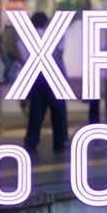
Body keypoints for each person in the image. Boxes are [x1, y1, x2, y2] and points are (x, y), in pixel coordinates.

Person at [22, 11, 69, 156]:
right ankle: (59, 143)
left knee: (36, 113)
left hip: (38, 79)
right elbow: (60, 53)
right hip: (55, 79)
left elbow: (26, 58)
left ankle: (31, 142)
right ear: (46, 23)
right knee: (58, 112)